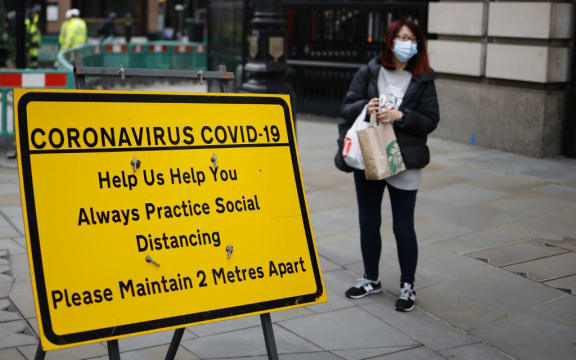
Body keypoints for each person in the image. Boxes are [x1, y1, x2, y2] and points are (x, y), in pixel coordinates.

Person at [341, 19, 439, 312]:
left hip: (405, 161)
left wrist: (401, 116)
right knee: (369, 222)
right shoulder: (369, 71)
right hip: (370, 155)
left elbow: (431, 120)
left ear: (418, 44)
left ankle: (407, 285)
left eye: (411, 38)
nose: (405, 43)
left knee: (403, 227)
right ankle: (371, 279)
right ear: (389, 40)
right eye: (400, 37)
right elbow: (346, 107)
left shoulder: (423, 79)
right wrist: (364, 107)